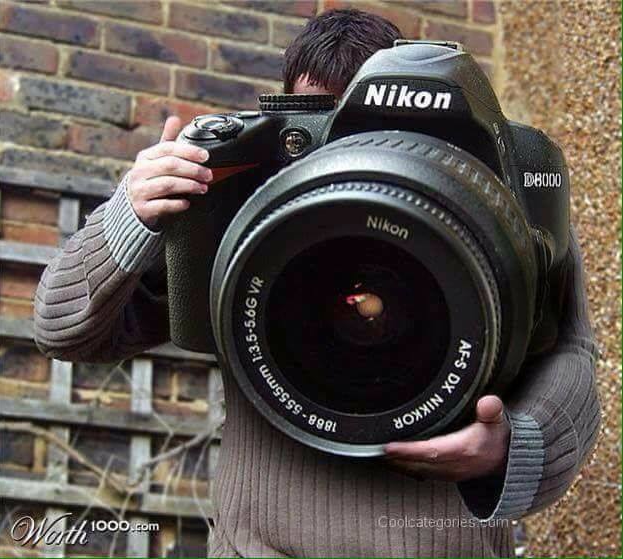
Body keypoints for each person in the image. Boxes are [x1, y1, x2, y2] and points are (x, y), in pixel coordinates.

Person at [34, 9, 600, 558]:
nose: (350, 153)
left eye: (369, 127)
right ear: (290, 124)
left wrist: (511, 447)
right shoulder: (254, 195)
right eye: (326, 126)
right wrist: (132, 213)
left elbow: (570, 355)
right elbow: (63, 331)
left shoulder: (497, 197)